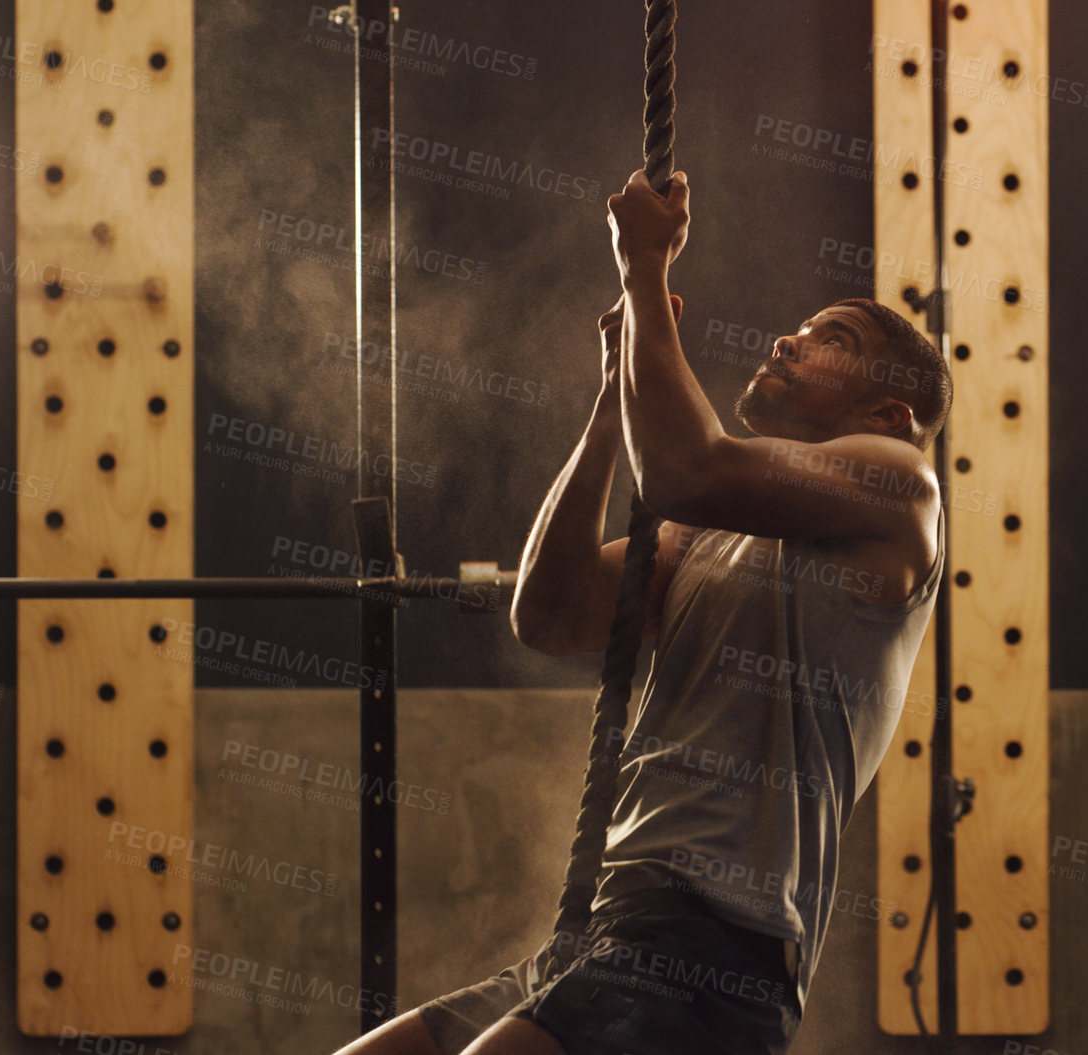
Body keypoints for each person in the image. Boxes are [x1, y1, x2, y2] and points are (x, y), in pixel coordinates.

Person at [330, 169, 950, 1055]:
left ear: (889, 411)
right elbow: (550, 611)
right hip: (610, 922)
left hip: (711, 942)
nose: (787, 340)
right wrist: (608, 393)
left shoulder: (900, 488)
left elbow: (686, 466)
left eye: (829, 340)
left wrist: (644, 267)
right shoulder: (710, 530)